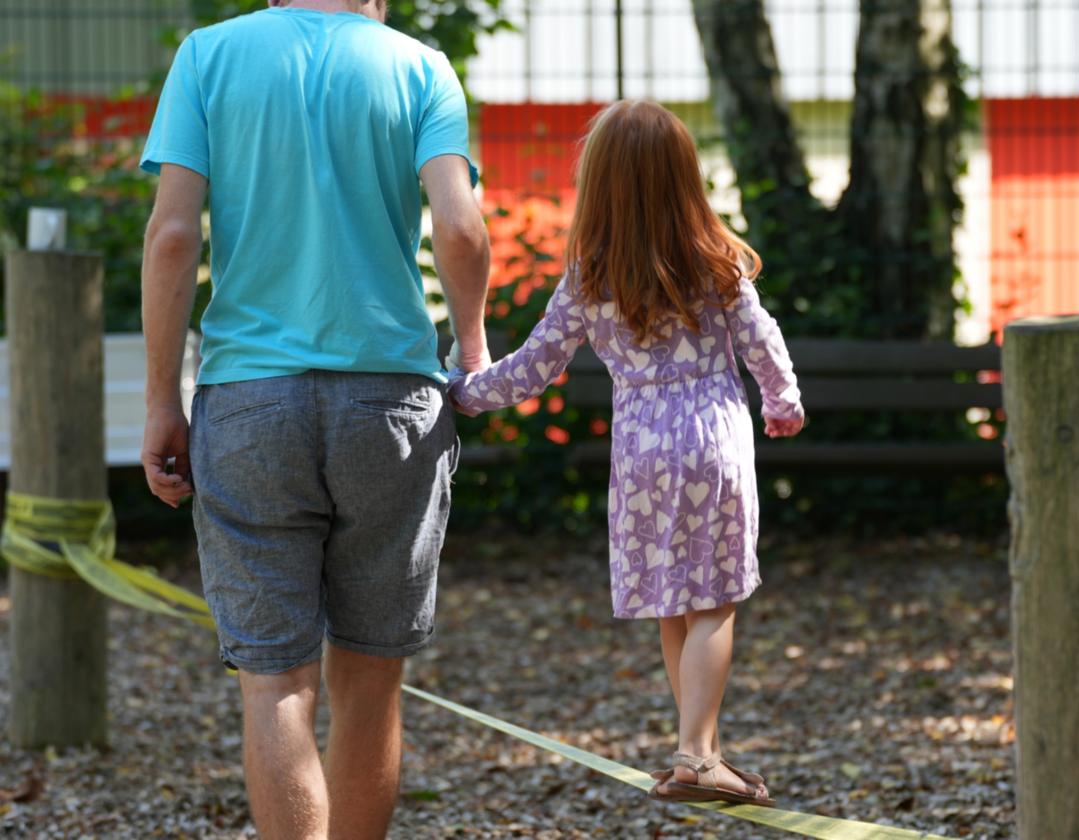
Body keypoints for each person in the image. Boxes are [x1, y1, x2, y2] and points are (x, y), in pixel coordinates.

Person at [138, 1, 491, 837]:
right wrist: (471, 344)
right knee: (369, 682)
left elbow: (172, 236)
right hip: (392, 404)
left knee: (274, 683)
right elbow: (460, 225)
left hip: (250, 400)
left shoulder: (207, 57)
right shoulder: (418, 65)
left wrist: (162, 399)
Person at [447, 100, 804, 807]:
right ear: (684, 178)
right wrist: (783, 399)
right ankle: (699, 754)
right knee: (715, 600)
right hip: (711, 437)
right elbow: (761, 340)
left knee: (678, 601)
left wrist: (465, 393)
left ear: (600, 181)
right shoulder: (717, 260)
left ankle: (696, 751)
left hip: (641, 448)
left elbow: (535, 364)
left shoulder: (589, 275)